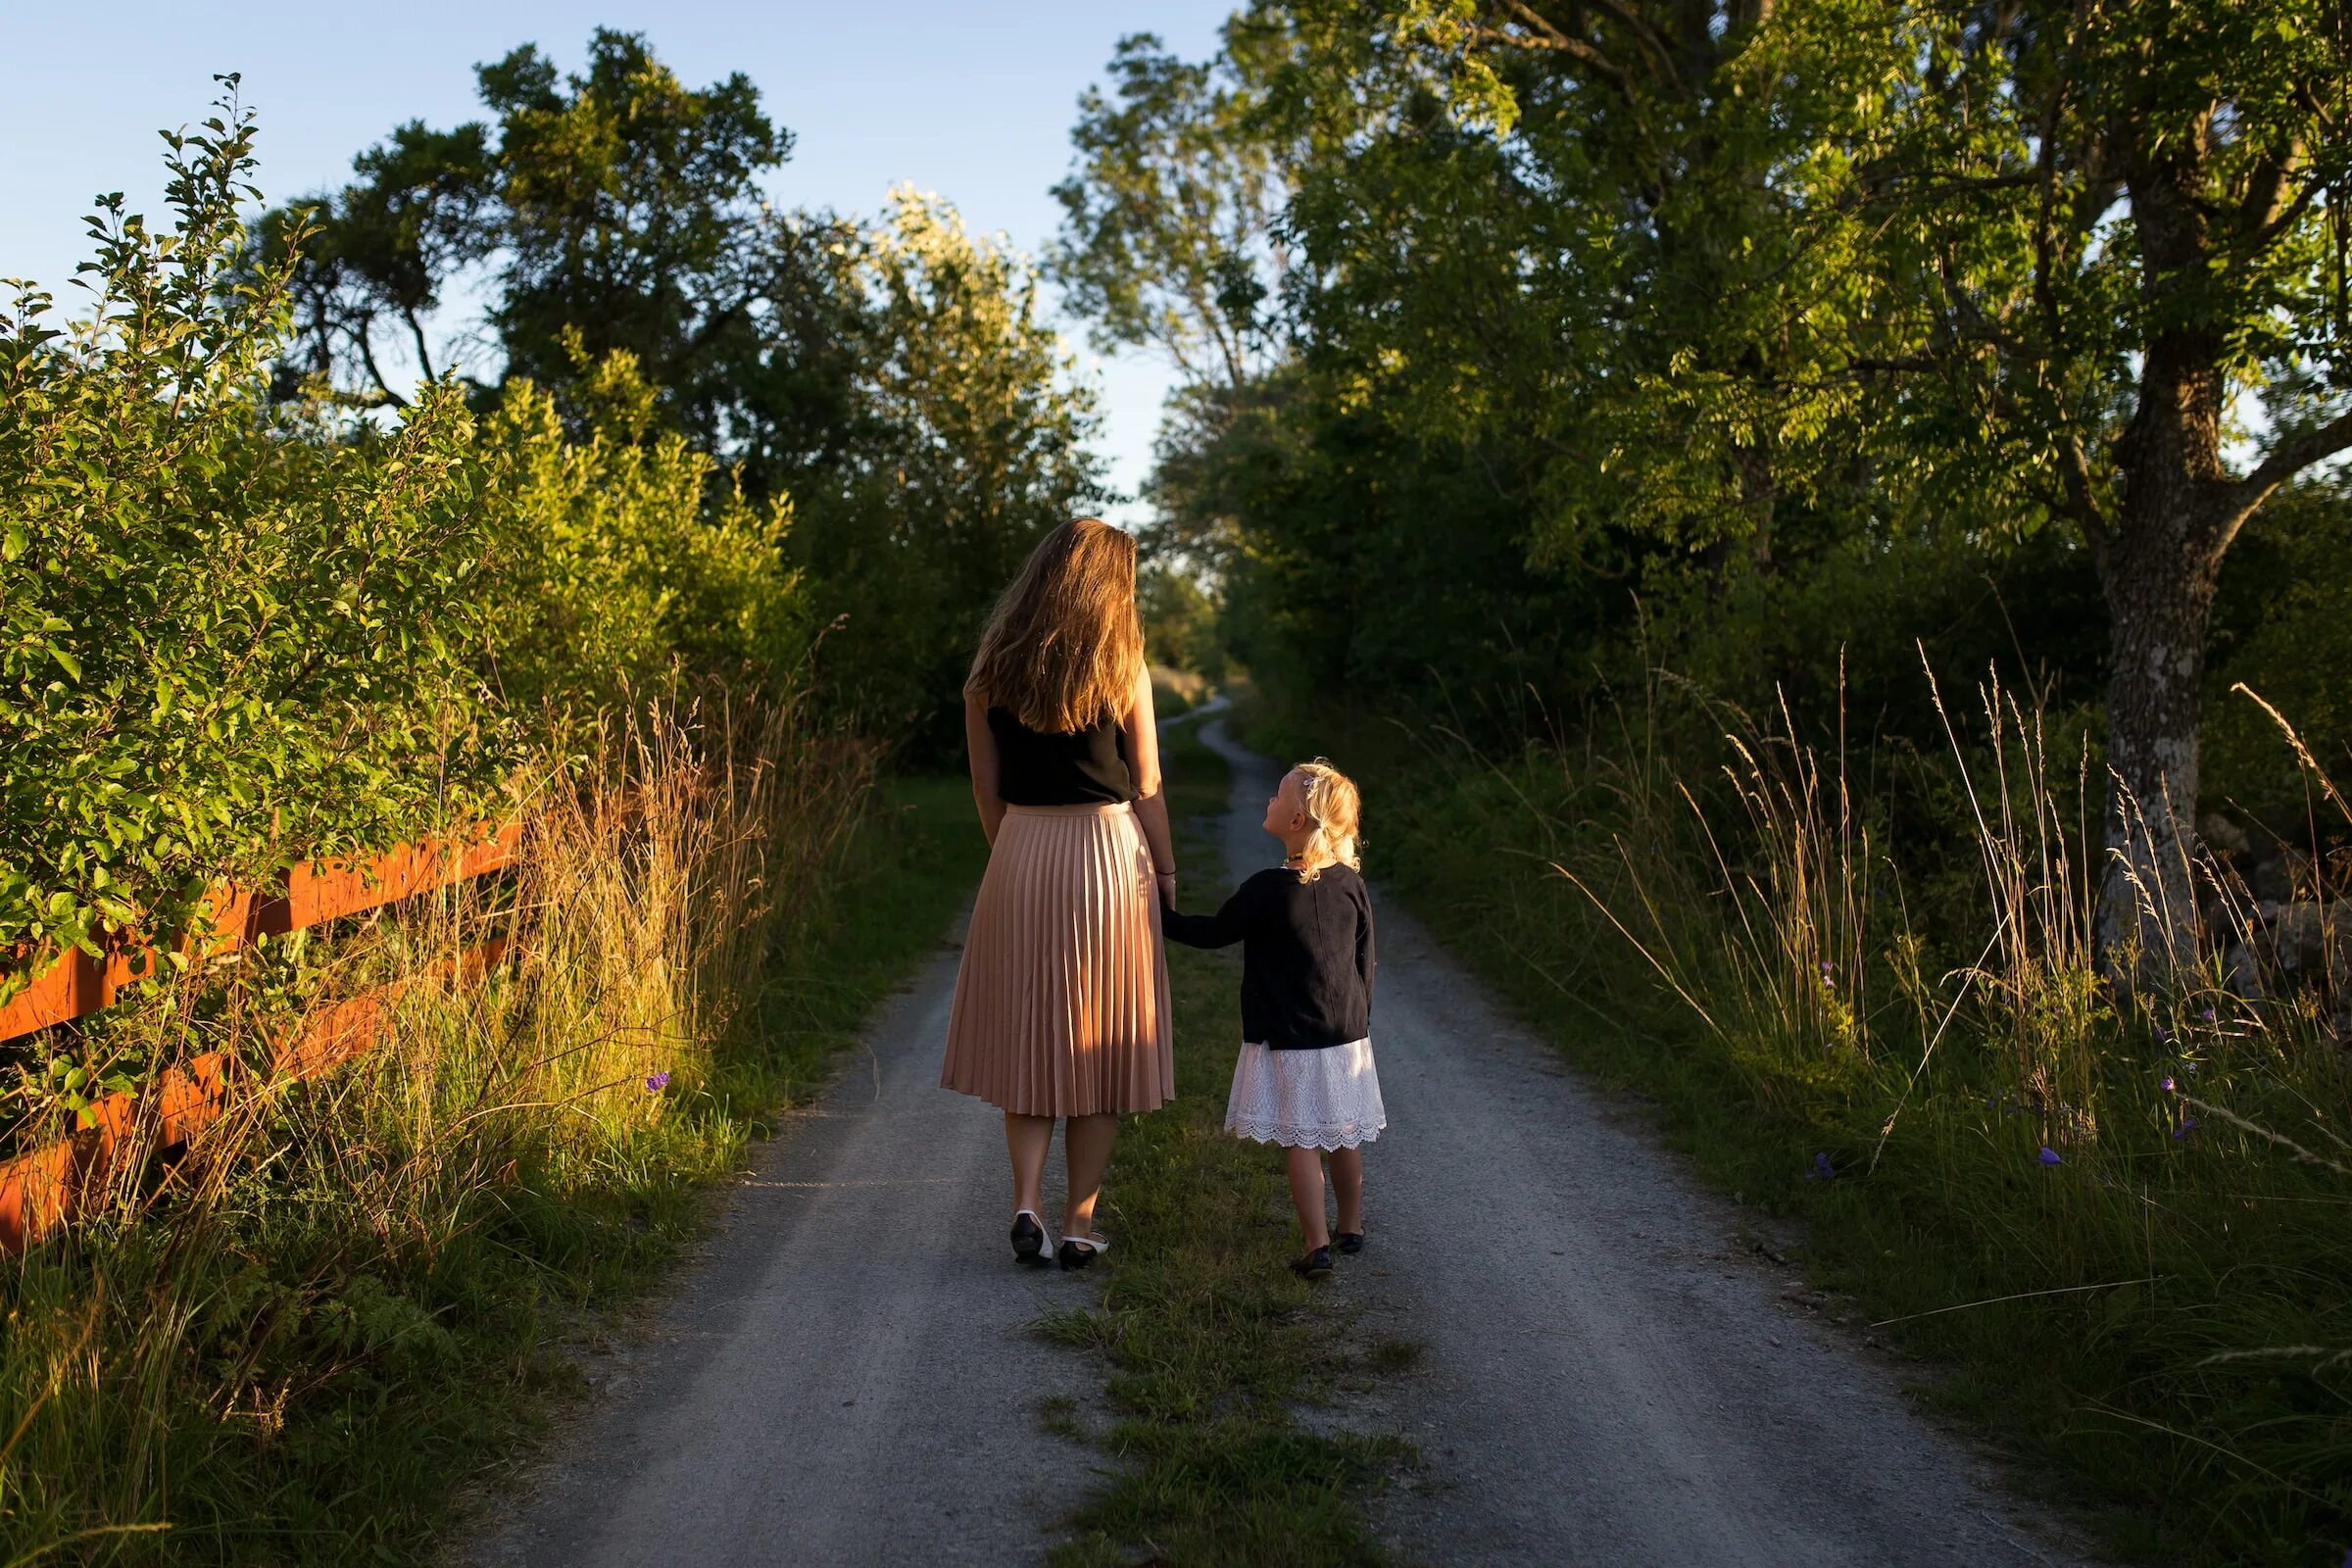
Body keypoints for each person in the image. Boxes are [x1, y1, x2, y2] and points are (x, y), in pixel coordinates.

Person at [941, 518, 1177, 1270]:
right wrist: (1166, 873)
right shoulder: (1122, 663)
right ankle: (1079, 1222)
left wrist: (1013, 854)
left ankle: (1025, 1204)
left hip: (1021, 849)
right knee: (1100, 1041)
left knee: (1032, 1038)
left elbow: (985, 787)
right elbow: (1145, 785)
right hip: (1107, 853)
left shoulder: (990, 669)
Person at [1160, 759, 1383, 1279]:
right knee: (1343, 1133)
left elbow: (1213, 933)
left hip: (1290, 1034)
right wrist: (1359, 1019)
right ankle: (1351, 1227)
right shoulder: (1350, 883)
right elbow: (1365, 956)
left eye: (1277, 796)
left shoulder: (1265, 889)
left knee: (1301, 1139)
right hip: (1346, 1033)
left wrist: (1156, 915)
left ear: (1297, 821)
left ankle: (1316, 1245)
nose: (1269, 800)